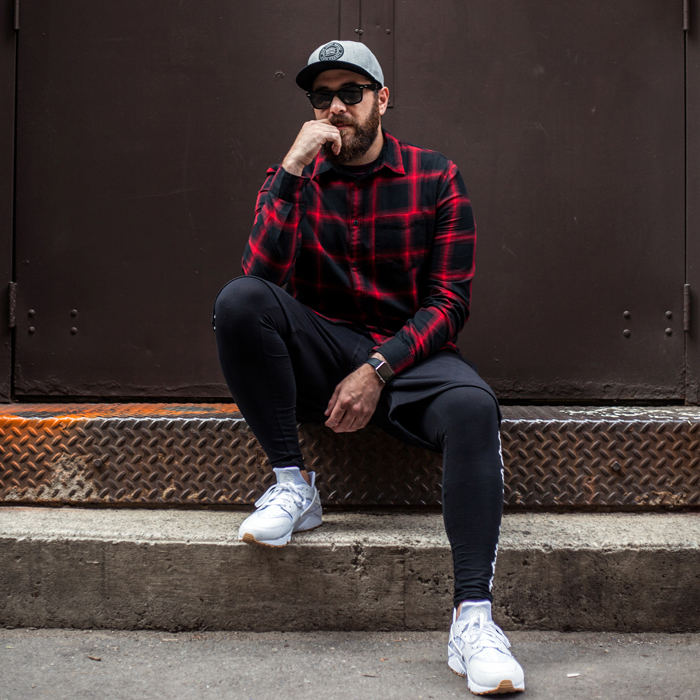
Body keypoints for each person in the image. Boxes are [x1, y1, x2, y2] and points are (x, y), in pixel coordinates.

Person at [213, 40, 525, 695]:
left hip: (409, 358)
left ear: (382, 99)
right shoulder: (292, 179)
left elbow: (449, 302)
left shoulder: (434, 176)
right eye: (321, 96)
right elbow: (259, 279)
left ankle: (472, 622)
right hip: (323, 358)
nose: (335, 108)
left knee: (473, 407)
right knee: (239, 301)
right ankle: (293, 485)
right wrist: (291, 171)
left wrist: (378, 368)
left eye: (350, 93)